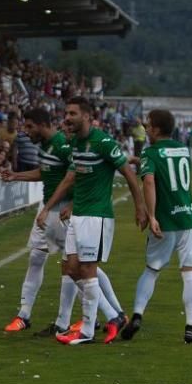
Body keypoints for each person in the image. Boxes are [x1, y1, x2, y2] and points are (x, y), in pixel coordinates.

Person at [2, 109, 127, 337]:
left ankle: (106, 314)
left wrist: (72, 203)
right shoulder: (48, 147)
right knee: (41, 257)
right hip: (50, 208)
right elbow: (47, 172)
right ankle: (25, 314)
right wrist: (16, 176)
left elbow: (79, 175)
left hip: (67, 211)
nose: (26, 132)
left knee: (78, 266)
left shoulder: (64, 145)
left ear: (42, 124)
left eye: (29, 127)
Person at [38, 97, 147, 345]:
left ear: (87, 116)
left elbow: (129, 174)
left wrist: (140, 207)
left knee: (87, 269)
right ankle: (113, 316)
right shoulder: (76, 143)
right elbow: (75, 177)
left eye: (72, 113)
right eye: (66, 112)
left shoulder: (104, 142)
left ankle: (87, 330)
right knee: (70, 269)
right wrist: (55, 207)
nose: (67, 117)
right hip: (79, 214)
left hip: (96, 216)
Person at [123, 109, 192, 344]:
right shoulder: (184, 149)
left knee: (152, 270)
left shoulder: (150, 151)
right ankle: (190, 327)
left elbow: (149, 181)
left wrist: (152, 215)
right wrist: (141, 160)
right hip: (189, 219)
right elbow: (169, 165)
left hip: (166, 221)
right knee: (190, 273)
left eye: (148, 125)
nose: (146, 128)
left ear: (156, 130)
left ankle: (137, 314)